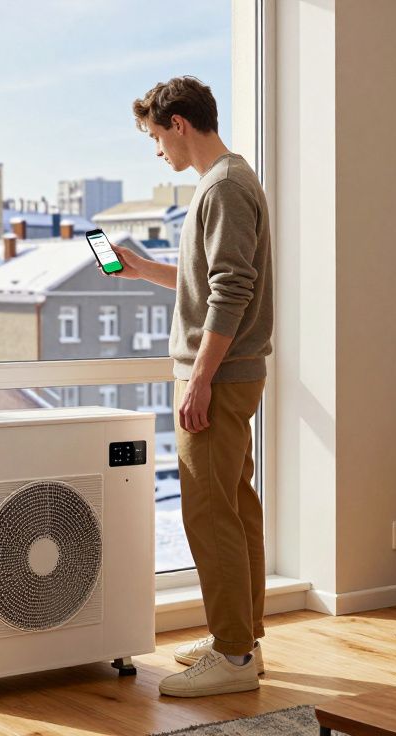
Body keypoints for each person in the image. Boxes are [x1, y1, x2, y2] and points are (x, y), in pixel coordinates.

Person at [107, 76, 273, 698]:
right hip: (232, 375)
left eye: (156, 137)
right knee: (234, 505)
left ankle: (232, 658)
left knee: (209, 512)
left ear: (178, 123)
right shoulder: (225, 181)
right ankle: (242, 640)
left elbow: (233, 289)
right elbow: (209, 277)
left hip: (219, 377)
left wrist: (199, 379)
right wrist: (143, 268)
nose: (157, 151)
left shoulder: (223, 186)